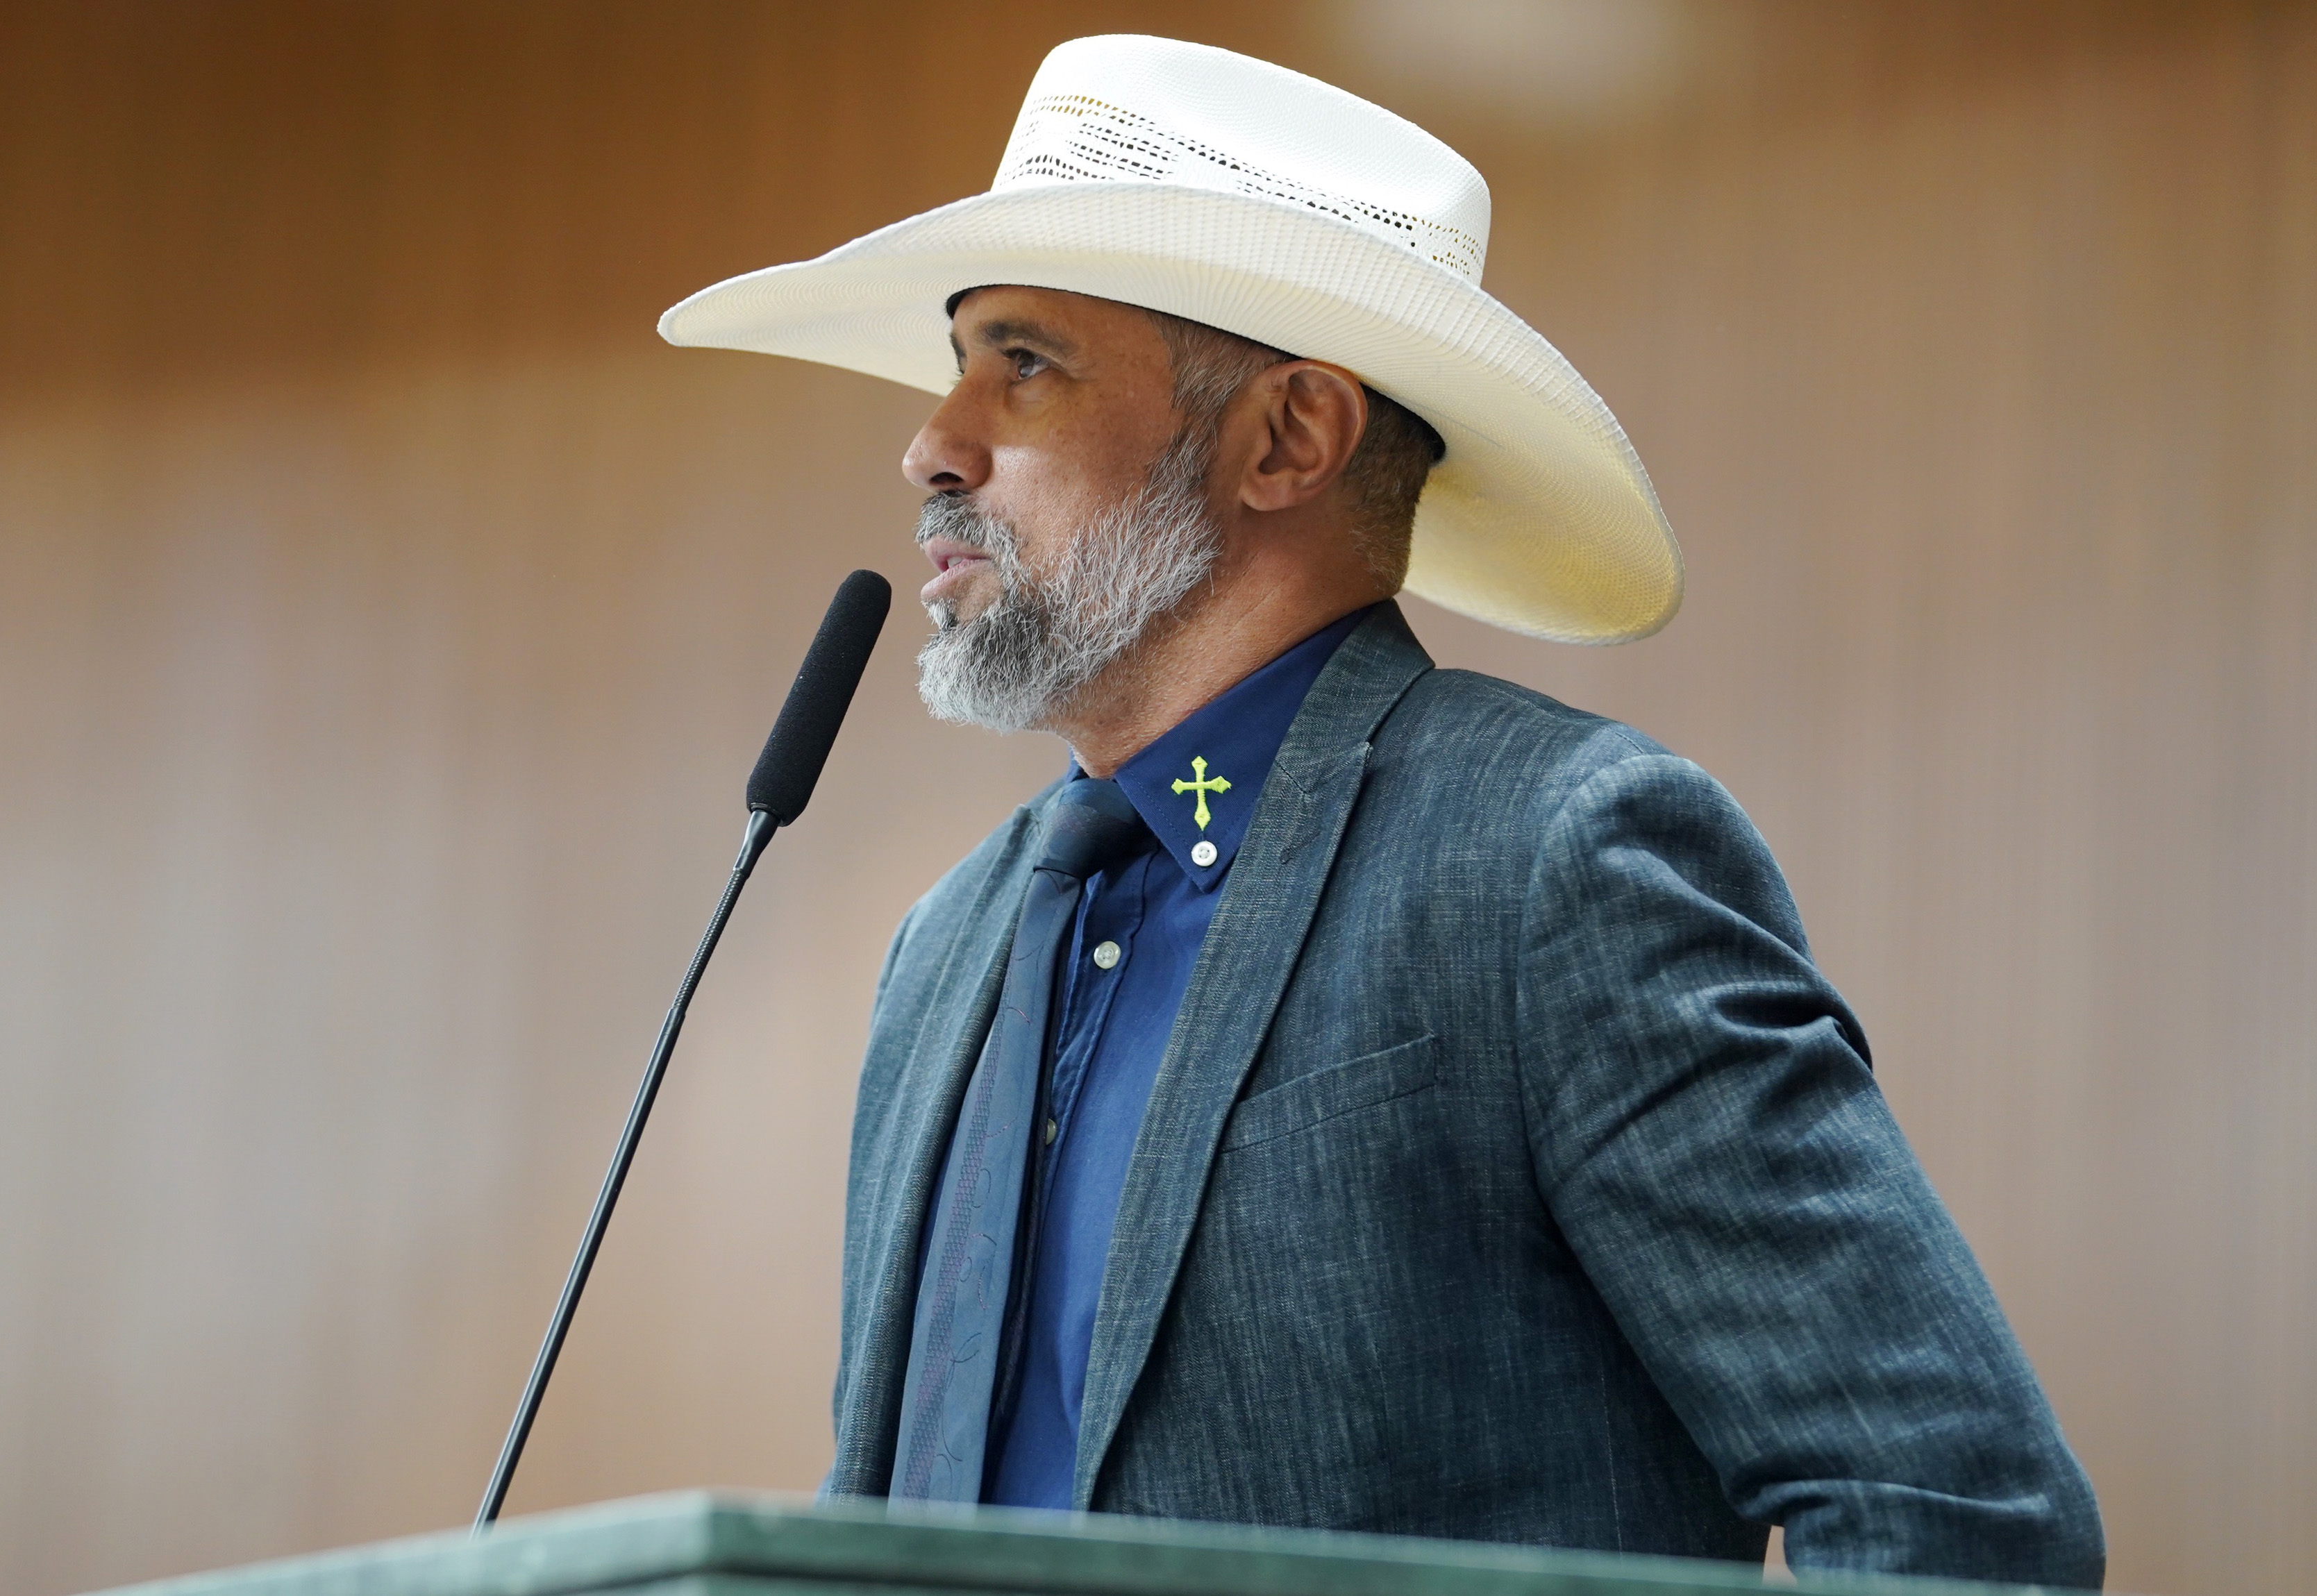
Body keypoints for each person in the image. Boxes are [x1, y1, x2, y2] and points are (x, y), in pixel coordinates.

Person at [662, 34, 2104, 1588]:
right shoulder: (945, 946)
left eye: (1023, 362)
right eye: (959, 363)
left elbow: (1957, 1511)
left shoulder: (1555, 858)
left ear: (1288, 438)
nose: (931, 444)